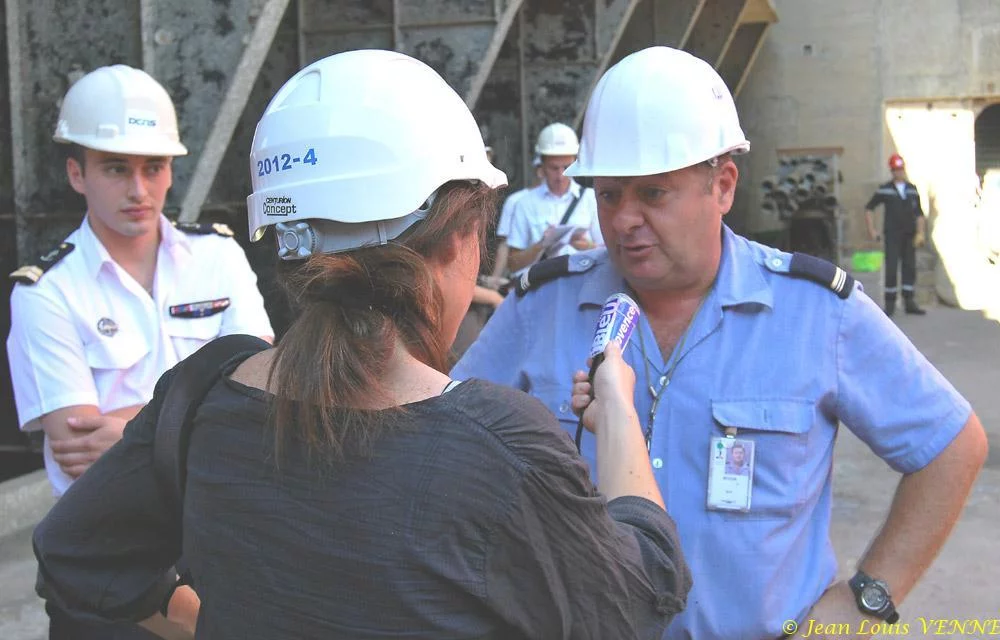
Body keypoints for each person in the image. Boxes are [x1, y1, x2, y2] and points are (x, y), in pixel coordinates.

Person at [32, 50, 691, 640]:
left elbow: (74, 551)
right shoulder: (497, 445)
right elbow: (643, 596)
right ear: (461, 237)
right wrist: (617, 410)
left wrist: (204, 621)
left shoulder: (203, 390)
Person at [454, 46, 988, 640]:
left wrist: (866, 599)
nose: (624, 219)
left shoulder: (816, 313)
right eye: (609, 194)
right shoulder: (540, 309)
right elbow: (445, 449)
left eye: (652, 193)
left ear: (724, 186)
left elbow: (950, 446)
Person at [7, 64, 274, 638]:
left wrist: (131, 426)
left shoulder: (218, 257)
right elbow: (80, 450)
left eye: (153, 167)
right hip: (106, 566)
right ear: (76, 173)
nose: (138, 189)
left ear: (171, 170)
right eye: (115, 168)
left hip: (218, 547)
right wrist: (210, 408)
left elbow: (261, 399)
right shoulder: (46, 292)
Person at [505, 123, 603, 273]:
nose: (560, 175)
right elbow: (513, 264)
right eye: (554, 168)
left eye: (566, 167)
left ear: (576, 163)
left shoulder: (591, 199)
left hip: (583, 282)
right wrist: (541, 245)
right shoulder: (525, 203)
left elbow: (608, 253)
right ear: (542, 165)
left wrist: (586, 246)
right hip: (540, 284)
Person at [864, 153, 927, 316]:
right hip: (892, 235)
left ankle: (909, 301)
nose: (898, 172)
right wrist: (872, 230)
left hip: (909, 235)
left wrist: (920, 232)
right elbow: (869, 208)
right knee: (891, 268)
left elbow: (919, 213)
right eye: (895, 170)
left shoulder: (912, 189)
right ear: (891, 171)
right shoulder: (885, 189)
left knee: (909, 267)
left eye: (900, 169)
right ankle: (890, 303)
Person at [491, 154, 544, 278]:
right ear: (540, 170)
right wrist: (496, 277)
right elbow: (505, 244)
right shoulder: (515, 200)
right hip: (525, 278)